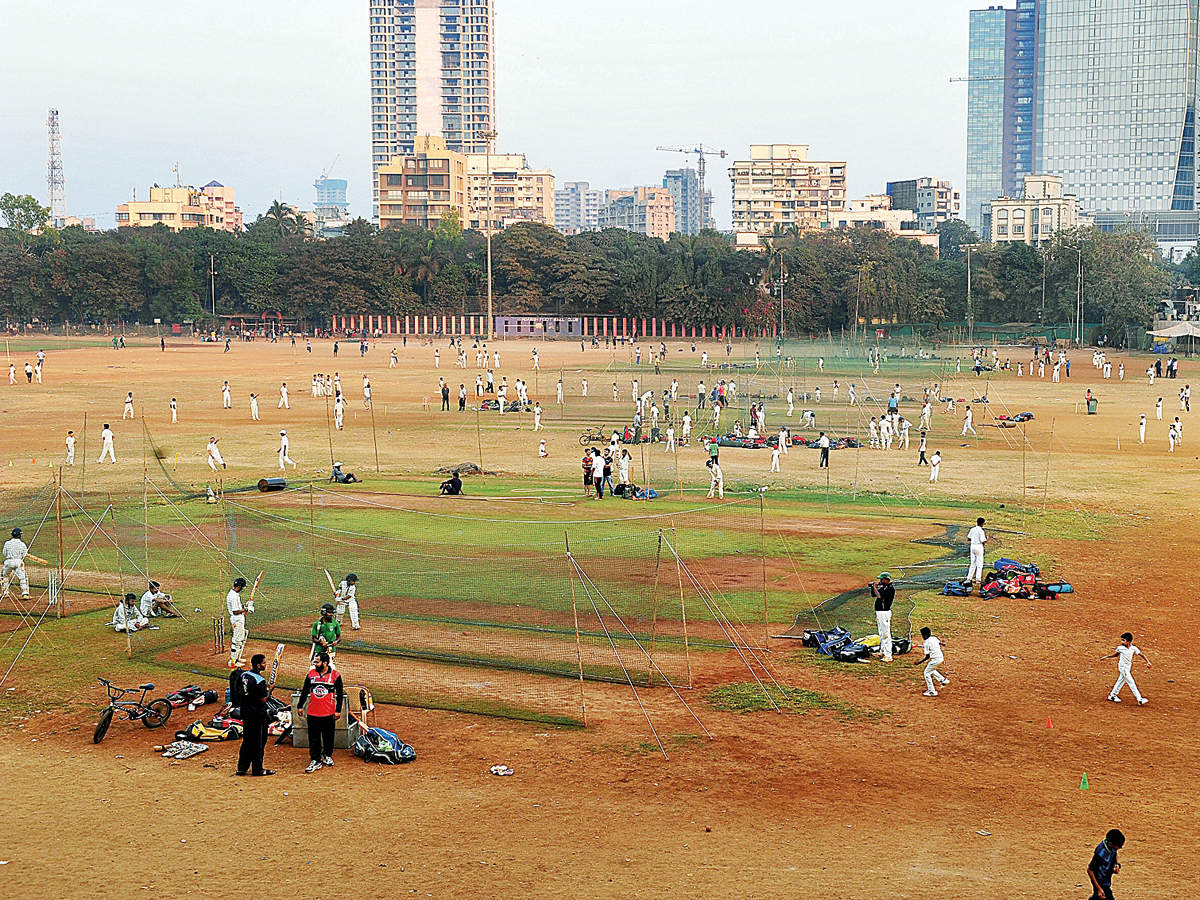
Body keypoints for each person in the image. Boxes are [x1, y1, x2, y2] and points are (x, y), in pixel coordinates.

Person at [298, 651, 344, 773]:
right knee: (314, 738)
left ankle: (327, 755)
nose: (315, 663)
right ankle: (315, 760)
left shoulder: (335, 675)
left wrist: (338, 710)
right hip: (313, 713)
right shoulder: (310, 674)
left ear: (325, 662)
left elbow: (340, 694)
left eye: (317, 661)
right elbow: (304, 691)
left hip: (328, 713)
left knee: (328, 736)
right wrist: (300, 706)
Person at [235, 653, 274, 776]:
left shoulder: (243, 675)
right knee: (258, 743)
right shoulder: (260, 680)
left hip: (245, 713)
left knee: (247, 741)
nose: (265, 665)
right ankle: (258, 769)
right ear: (258, 665)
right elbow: (263, 700)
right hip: (257, 715)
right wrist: (270, 690)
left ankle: (242, 768)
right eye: (263, 663)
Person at [1101, 632, 1150, 705]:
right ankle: (1139, 699)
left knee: (1120, 680)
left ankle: (1112, 695)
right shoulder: (1120, 648)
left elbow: (1141, 654)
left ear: (1129, 641)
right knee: (1131, 682)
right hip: (1123, 667)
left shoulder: (1133, 648)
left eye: (1123, 640)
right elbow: (1116, 655)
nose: (1122, 642)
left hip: (1128, 667)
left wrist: (1148, 662)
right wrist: (1107, 657)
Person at [1086, 828, 1125, 900]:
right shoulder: (1100, 853)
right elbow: (1090, 870)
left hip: (1106, 881)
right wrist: (1099, 889)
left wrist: (1116, 864)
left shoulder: (1111, 847)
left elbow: (1115, 853)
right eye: (1118, 846)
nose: (1120, 848)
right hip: (1100, 883)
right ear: (1110, 844)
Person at [913, 626, 948, 696]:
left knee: (926, 673)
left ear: (925, 635)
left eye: (922, 635)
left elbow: (927, 657)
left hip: (935, 660)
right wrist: (942, 643)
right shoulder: (934, 638)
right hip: (941, 658)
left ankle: (932, 691)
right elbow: (939, 643)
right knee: (931, 669)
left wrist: (919, 662)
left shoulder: (926, 643)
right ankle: (943, 680)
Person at [870, 572, 895, 662]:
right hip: (879, 613)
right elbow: (874, 595)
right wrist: (873, 588)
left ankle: (888, 655)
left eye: (881, 579)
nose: (880, 581)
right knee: (881, 633)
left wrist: (875, 587)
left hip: (884, 613)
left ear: (886, 579)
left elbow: (879, 596)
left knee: (886, 634)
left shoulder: (890, 589)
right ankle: (882, 651)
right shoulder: (884, 587)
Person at [226, 576, 251, 668]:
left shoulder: (235, 594)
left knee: (240, 640)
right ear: (240, 587)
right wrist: (245, 609)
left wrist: (245, 606)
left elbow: (238, 608)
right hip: (236, 619)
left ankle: (237, 658)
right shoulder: (232, 596)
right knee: (236, 641)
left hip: (239, 619)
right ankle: (232, 662)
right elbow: (235, 611)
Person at [966, 517, 987, 585]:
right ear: (982, 524)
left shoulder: (972, 529)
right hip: (979, 546)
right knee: (979, 564)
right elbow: (983, 541)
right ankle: (978, 579)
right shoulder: (981, 531)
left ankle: (969, 578)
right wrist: (986, 540)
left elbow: (969, 538)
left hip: (972, 546)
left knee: (973, 563)